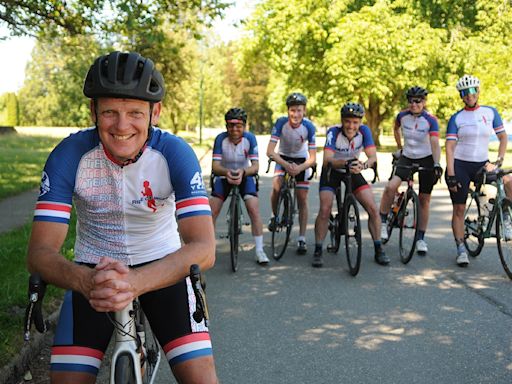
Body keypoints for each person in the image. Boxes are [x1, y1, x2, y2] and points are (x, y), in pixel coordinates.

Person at [26, 51, 218, 383]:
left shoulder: (175, 153)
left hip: (164, 268)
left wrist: (134, 283)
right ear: (93, 111)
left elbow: (203, 247)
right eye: (110, 112)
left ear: (155, 112)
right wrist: (86, 282)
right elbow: (39, 253)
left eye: (134, 113)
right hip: (93, 277)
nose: (122, 125)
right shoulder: (69, 156)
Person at [446, 74, 512, 267]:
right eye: (465, 93)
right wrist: (450, 174)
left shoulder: (490, 112)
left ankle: (506, 217)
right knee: (459, 208)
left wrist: (498, 161)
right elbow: (450, 147)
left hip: (482, 163)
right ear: (461, 96)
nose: (469, 95)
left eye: (473, 91)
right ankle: (460, 248)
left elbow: (502, 138)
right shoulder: (456, 118)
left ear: (478, 91)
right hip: (460, 165)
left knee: (507, 180)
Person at [312, 102, 389, 267]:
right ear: (342, 121)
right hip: (332, 171)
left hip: (353, 170)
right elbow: (327, 160)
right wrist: (345, 163)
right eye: (347, 121)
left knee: (373, 209)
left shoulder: (365, 132)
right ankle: (318, 249)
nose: (351, 126)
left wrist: (363, 165)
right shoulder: (333, 132)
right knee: (325, 210)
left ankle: (378, 249)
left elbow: (373, 157)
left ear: (360, 122)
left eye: (355, 122)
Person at [379, 86, 442, 255]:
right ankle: (383, 222)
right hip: (407, 156)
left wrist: (436, 163)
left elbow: (435, 143)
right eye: (411, 101)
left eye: (418, 101)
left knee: (424, 199)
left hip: (426, 158)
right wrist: (400, 147)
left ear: (424, 102)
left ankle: (420, 238)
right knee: (391, 187)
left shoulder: (430, 120)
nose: (414, 104)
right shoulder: (402, 116)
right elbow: (395, 128)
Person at [209, 107, 269, 265]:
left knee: (253, 209)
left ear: (244, 126)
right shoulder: (220, 139)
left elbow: (255, 166)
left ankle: (259, 250)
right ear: (226, 126)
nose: (234, 129)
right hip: (224, 175)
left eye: (239, 126)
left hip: (245, 175)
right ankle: (208, 250)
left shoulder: (250, 138)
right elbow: (215, 166)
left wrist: (243, 172)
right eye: (231, 125)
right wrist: (226, 172)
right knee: (211, 211)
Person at [266, 92, 317, 254]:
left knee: (302, 197)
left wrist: (299, 168)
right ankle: (275, 216)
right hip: (283, 158)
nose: (296, 114)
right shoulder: (281, 123)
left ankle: (301, 238)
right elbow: (270, 151)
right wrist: (286, 165)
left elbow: (313, 158)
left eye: (299, 110)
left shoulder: (309, 127)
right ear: (288, 111)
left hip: (301, 161)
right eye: (293, 110)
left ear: (304, 111)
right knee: (276, 186)